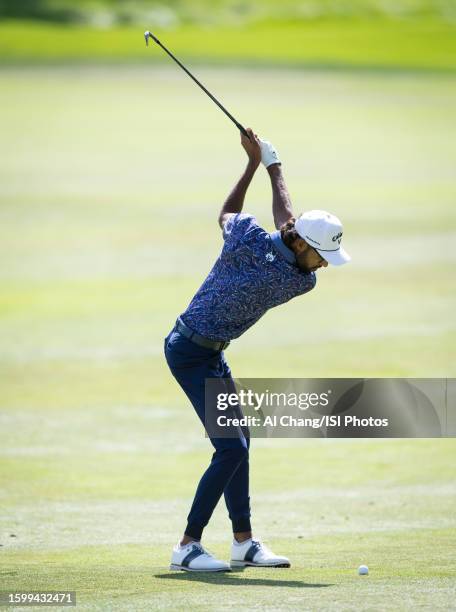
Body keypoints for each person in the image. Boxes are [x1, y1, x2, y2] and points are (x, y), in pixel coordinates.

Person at [164, 128, 350, 572]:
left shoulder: (247, 237)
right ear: (302, 245)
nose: (325, 264)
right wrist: (272, 164)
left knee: (240, 444)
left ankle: (243, 541)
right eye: (322, 254)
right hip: (189, 352)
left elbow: (232, 213)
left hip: (206, 350)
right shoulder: (298, 280)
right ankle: (187, 547)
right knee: (231, 449)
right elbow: (288, 219)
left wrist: (257, 164)